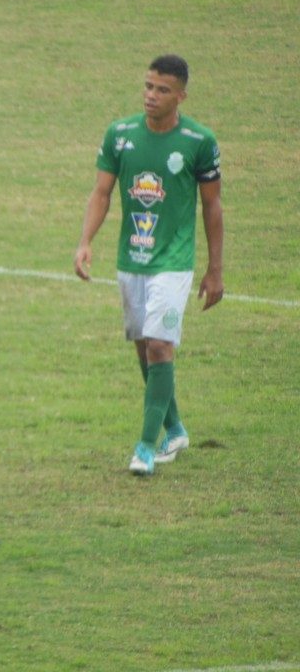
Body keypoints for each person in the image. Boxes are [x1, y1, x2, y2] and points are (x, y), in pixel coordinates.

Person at [74, 54, 224, 475]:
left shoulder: (199, 141)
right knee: (145, 346)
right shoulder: (120, 134)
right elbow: (101, 193)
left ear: (181, 96)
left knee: (160, 344)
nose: (151, 96)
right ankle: (175, 428)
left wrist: (215, 269)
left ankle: (145, 446)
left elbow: (212, 206)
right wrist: (85, 242)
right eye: (147, 86)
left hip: (173, 262)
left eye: (161, 90)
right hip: (131, 258)